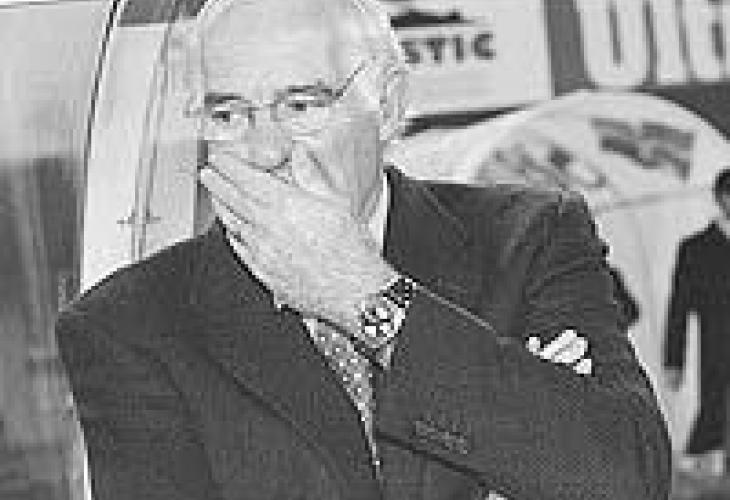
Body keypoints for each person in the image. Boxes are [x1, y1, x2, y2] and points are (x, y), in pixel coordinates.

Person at [56, 0, 671, 499]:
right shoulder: (129, 324)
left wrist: (363, 295)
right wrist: (513, 435)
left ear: (388, 104)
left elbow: (623, 477)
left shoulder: (528, 238)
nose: (265, 151)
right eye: (228, 115)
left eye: (300, 105)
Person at [665, 168, 730, 463]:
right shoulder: (695, 248)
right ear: (720, 198)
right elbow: (678, 307)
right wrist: (674, 360)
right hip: (716, 346)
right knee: (713, 414)